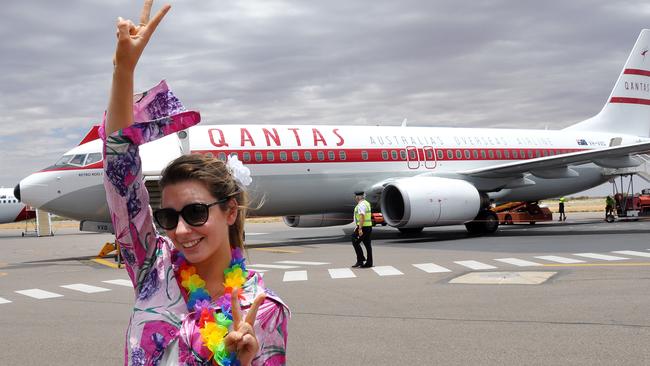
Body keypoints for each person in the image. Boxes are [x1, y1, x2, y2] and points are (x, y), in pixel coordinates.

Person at [103, 1, 289, 365]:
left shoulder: (263, 309)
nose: (181, 230)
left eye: (196, 212)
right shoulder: (152, 267)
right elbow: (119, 173)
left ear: (230, 211)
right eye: (170, 217)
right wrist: (123, 71)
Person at [351, 191, 373, 268]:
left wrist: (359, 229)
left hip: (363, 227)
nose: (355, 198)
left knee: (354, 240)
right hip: (368, 226)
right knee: (367, 245)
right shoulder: (367, 203)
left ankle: (360, 260)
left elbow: (362, 217)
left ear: (358, 197)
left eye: (356, 197)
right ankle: (369, 262)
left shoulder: (361, 205)